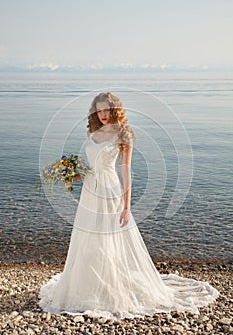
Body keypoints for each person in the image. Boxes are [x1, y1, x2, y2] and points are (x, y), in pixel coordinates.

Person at [39, 92, 219, 320]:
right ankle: (88, 285)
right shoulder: (92, 132)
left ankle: (111, 287)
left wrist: (126, 206)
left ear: (115, 110)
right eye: (99, 110)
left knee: (108, 237)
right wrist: (70, 176)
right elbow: (89, 168)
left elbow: (125, 171)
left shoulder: (124, 134)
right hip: (90, 192)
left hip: (109, 191)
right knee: (88, 237)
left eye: (107, 110)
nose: (103, 114)